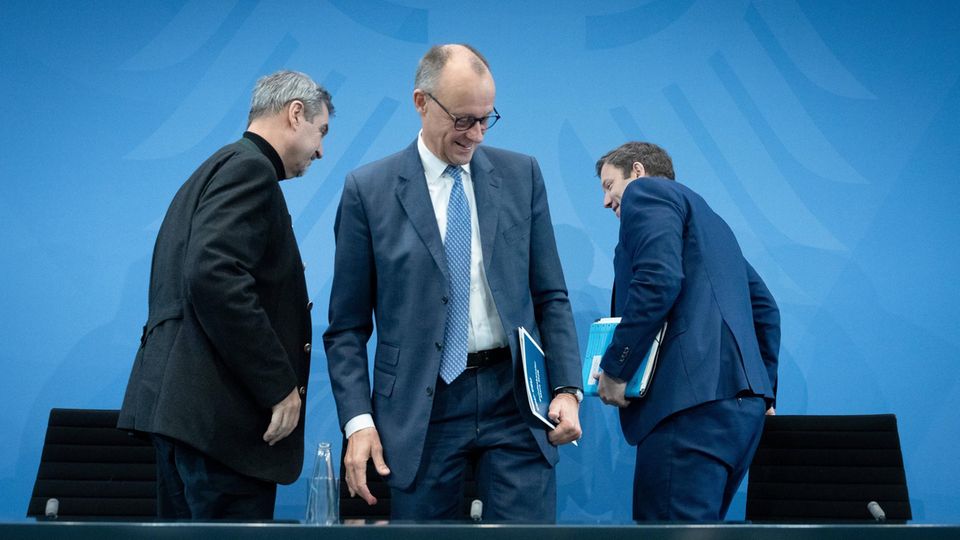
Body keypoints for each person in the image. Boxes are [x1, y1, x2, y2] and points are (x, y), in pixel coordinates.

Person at [323, 44, 581, 522]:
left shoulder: (521, 174)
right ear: (421, 103)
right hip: (425, 406)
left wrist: (566, 387)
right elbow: (346, 328)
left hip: (515, 399)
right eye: (463, 120)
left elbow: (551, 295)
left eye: (487, 119)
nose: (477, 134)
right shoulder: (369, 190)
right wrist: (358, 422)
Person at [117, 70, 334, 520]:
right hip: (219, 430)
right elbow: (213, 274)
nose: (320, 150)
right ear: (296, 114)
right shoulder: (251, 171)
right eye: (321, 131)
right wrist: (280, 386)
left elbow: (206, 272)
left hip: (183, 420)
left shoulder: (216, 168)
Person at [594, 142, 779, 521]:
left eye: (609, 185)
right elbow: (765, 310)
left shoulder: (647, 193)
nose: (606, 201)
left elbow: (659, 280)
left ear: (638, 172)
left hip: (688, 411)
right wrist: (764, 391)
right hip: (742, 417)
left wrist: (617, 369)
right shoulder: (713, 226)